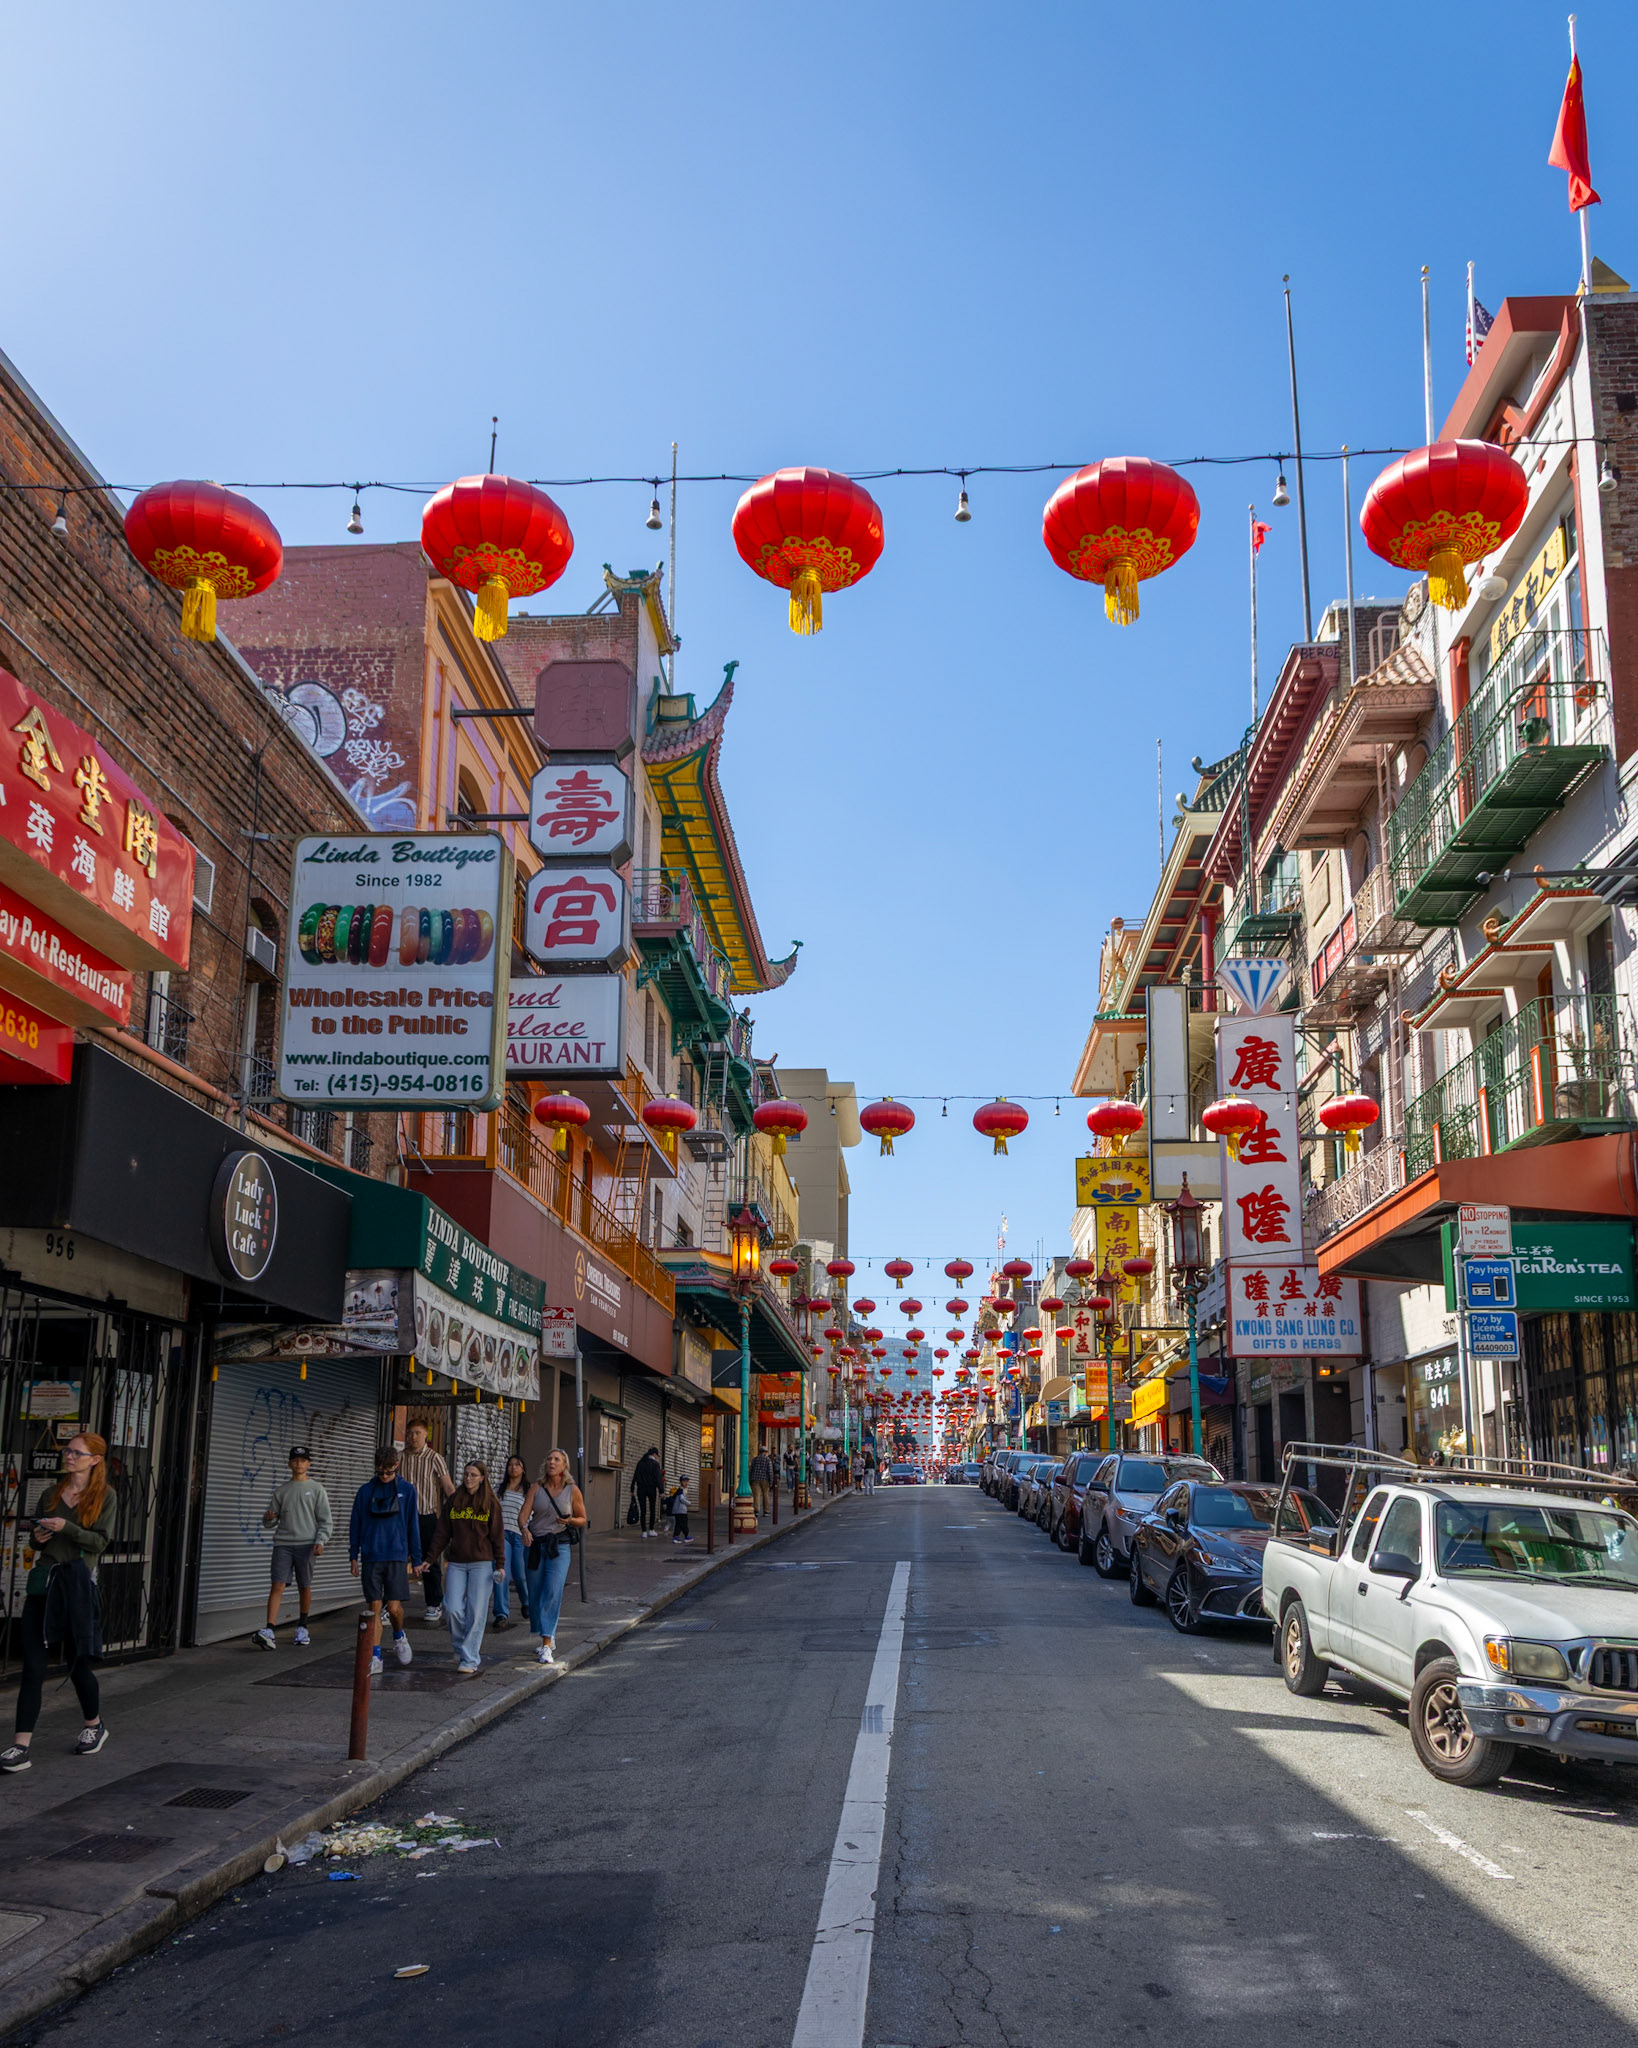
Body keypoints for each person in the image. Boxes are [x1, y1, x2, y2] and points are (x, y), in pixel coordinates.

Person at [0, 1433, 116, 1770]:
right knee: (33, 1668)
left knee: (78, 1664)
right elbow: (36, 1543)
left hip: (76, 1587)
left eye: (76, 1452)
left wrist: (67, 1527)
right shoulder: (51, 1493)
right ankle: (20, 1746)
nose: (68, 1456)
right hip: (44, 1585)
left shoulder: (105, 1496)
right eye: (67, 1451)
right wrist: (37, 1538)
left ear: (94, 1459)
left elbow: (100, 1543)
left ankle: (94, 1725)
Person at [426, 1460, 504, 1675]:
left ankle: (469, 1658)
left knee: (476, 1612)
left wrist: (500, 1564)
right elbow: (442, 1532)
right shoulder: (454, 1500)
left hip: (482, 1563)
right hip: (457, 1563)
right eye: (466, 1474)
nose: (468, 1478)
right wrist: (430, 1558)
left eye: (473, 1475)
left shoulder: (491, 1502)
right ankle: (461, 1647)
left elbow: (498, 1536)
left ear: (482, 1478)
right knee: (451, 1608)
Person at [348, 1445, 421, 1674]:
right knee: (375, 1607)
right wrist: (353, 1555)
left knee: (395, 1608)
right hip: (372, 1554)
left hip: (396, 1554)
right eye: (381, 1472)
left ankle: (399, 1635)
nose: (385, 1476)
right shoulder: (365, 1491)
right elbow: (355, 1523)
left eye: (389, 1472)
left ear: (396, 1466)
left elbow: (413, 1525)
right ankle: (376, 1655)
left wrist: (416, 1558)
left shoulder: (407, 1490)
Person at [255, 1445, 332, 1650]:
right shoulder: (281, 1491)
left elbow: (325, 1520)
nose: (299, 1464)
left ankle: (302, 1626)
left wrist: (320, 1541)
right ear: (290, 1463)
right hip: (283, 1544)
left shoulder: (316, 1489)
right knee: (277, 1585)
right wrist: (268, 1518)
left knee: (304, 1585)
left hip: (307, 1544)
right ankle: (269, 1629)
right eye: (295, 1460)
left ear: (309, 1464)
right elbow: (271, 1521)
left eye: (303, 1460)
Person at [520, 1450, 586, 1666]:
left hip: (559, 1547)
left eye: (557, 1459)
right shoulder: (536, 1488)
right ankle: (547, 1632)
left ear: (564, 1465)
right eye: (549, 1459)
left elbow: (583, 1519)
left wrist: (570, 1521)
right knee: (535, 1594)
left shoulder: (572, 1490)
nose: (552, 1462)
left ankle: (547, 1644)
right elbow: (523, 1515)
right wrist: (524, 1529)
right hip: (536, 1545)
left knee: (552, 1591)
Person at [400, 1420, 454, 1623]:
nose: (413, 1437)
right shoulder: (400, 1458)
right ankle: (391, 1603)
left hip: (426, 1515)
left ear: (425, 1435)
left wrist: (457, 1513)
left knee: (429, 1560)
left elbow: (448, 1487)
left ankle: (434, 1603)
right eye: (410, 1433)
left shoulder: (435, 1458)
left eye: (417, 1433)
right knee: (397, 1559)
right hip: (402, 1517)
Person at [491, 1454, 531, 1629]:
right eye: (511, 1464)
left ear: (523, 1469)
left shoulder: (529, 1490)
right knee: (501, 1574)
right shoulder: (498, 1488)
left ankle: (527, 1602)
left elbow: (532, 1512)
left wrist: (527, 1530)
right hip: (501, 1535)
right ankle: (501, 1613)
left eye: (517, 1465)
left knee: (520, 1574)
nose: (513, 1467)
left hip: (519, 1535)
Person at [632, 1446, 663, 1538]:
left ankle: (644, 1531)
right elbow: (658, 1478)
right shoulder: (655, 1464)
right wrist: (661, 1491)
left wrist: (632, 1488)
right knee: (652, 1509)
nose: (657, 1457)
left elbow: (635, 1475)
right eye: (657, 1455)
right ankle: (651, 1530)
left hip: (641, 1489)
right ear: (654, 1454)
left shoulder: (640, 1463)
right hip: (651, 1489)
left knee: (643, 1510)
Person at [750, 1444, 773, 1519]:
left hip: (755, 1479)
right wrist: (771, 1482)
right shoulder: (768, 1460)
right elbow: (770, 1471)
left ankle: (756, 1510)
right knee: (765, 1495)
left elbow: (751, 1470)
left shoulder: (755, 1459)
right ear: (765, 1452)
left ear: (760, 1452)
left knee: (756, 1496)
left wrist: (750, 1480)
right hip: (765, 1479)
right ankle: (766, 1511)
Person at [670, 1474, 693, 1545]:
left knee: (679, 1524)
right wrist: (689, 1503)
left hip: (679, 1510)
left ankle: (678, 1536)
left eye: (687, 1481)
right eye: (684, 1481)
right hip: (680, 1511)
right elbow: (682, 1499)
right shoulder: (681, 1490)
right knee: (683, 1523)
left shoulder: (682, 1490)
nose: (686, 1483)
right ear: (680, 1482)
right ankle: (683, 1536)